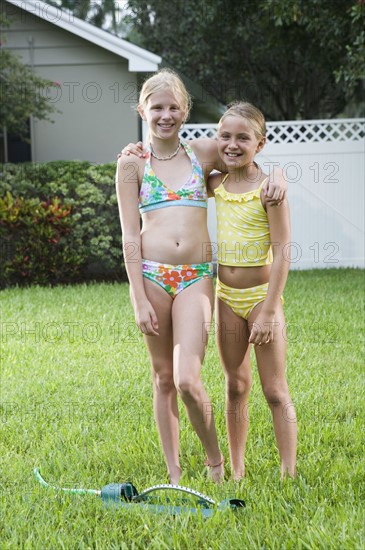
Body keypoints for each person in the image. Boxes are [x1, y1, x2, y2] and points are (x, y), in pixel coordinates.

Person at [117, 68, 287, 484]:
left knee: (188, 378)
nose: (165, 115)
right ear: (143, 109)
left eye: (174, 107)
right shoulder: (131, 164)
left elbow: (244, 152)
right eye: (157, 107)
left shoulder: (201, 152)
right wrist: (138, 298)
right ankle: (174, 473)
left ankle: (214, 461)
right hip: (153, 277)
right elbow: (129, 236)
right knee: (162, 379)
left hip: (195, 277)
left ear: (186, 110)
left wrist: (279, 175)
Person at [208, 102, 297, 480]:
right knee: (236, 385)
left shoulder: (269, 191)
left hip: (262, 297)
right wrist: (135, 154)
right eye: (225, 136)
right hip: (225, 298)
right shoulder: (215, 183)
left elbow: (283, 252)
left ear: (259, 144)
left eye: (243, 138)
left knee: (274, 390)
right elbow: (172, 163)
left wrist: (269, 310)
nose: (232, 144)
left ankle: (287, 471)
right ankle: (238, 469)